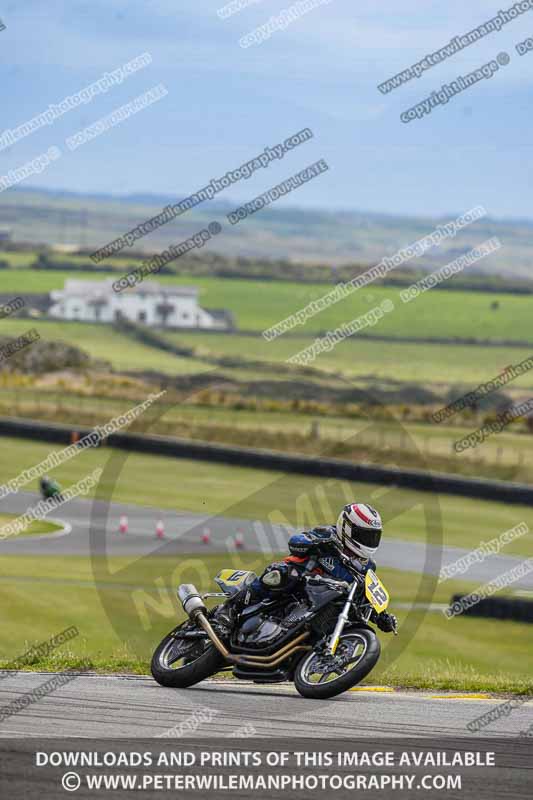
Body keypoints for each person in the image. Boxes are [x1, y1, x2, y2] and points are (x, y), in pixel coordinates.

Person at [224, 502, 397, 633]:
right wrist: (316, 543)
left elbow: (367, 596)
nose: (369, 541)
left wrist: (381, 616)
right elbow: (296, 541)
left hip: (321, 603)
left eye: (373, 536)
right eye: (365, 535)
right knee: (282, 574)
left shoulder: (368, 567)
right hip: (299, 585)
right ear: (347, 528)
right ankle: (230, 608)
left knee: (350, 615)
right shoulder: (327, 534)